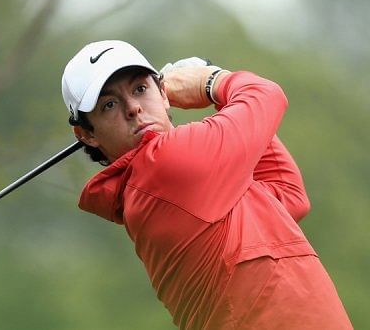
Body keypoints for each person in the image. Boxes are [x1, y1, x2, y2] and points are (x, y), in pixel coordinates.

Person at [61, 40, 352, 329]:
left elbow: (287, 195)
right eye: (109, 104)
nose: (134, 108)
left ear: (163, 93)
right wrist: (211, 80)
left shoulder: (159, 183)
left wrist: (220, 97)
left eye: (141, 89)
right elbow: (266, 94)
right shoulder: (165, 164)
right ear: (87, 134)